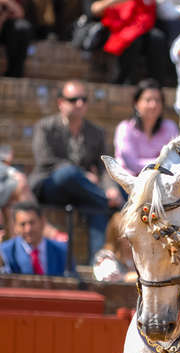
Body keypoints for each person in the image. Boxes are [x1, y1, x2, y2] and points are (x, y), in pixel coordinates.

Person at [30, 80, 122, 263]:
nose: (79, 104)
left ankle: (97, 264)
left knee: (99, 208)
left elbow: (104, 166)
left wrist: (110, 187)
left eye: (83, 99)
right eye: (73, 100)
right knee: (69, 174)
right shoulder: (45, 127)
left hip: (83, 192)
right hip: (51, 186)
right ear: (60, 103)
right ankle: (115, 204)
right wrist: (83, 174)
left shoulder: (96, 132)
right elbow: (45, 160)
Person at [90, 0, 170, 85]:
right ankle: (124, 80)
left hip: (140, 27)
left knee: (157, 38)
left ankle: (156, 83)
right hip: (115, 29)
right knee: (131, 40)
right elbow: (95, 10)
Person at [114, 79, 179, 177]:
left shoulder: (170, 127)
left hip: (160, 183)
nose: (153, 105)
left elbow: (176, 160)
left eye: (157, 100)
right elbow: (132, 165)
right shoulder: (125, 129)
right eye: (148, 100)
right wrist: (163, 163)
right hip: (130, 183)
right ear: (136, 103)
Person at [0, 202, 71, 276]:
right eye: (22, 224)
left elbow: (73, 281)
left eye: (32, 223)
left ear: (42, 222)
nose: (28, 229)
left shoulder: (62, 250)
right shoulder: (5, 251)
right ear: (15, 227)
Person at [92, 212, 136, 281]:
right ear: (117, 236)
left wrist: (125, 277)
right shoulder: (106, 257)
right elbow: (110, 279)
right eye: (126, 236)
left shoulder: (142, 255)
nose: (130, 239)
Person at [0, 0, 33, 77]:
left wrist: (6, 3)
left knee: (22, 28)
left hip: (8, 32)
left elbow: (20, 13)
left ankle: (16, 70)